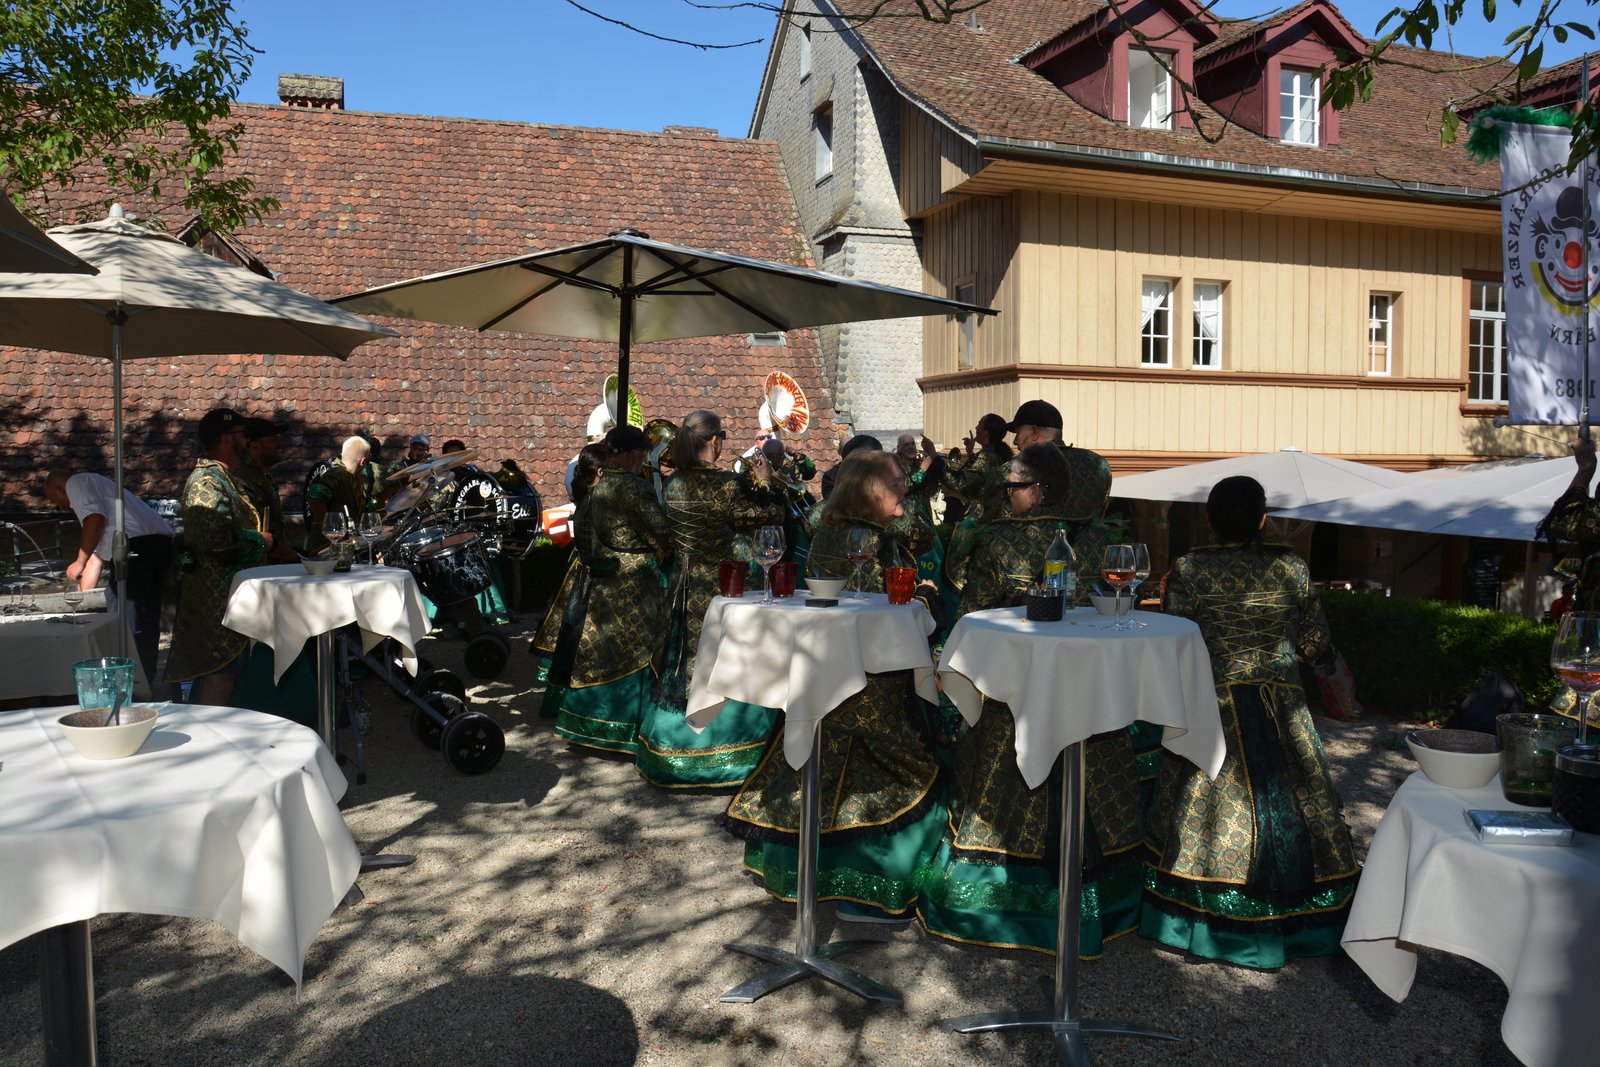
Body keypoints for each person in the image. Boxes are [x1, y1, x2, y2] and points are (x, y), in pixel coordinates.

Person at [919, 444, 1143, 956]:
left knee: (999, 787)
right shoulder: (1100, 541)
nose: (1006, 493)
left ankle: (1001, 906)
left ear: (1039, 490)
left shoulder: (999, 541)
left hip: (1015, 696)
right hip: (1087, 696)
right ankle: (1096, 904)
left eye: (1013, 485)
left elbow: (972, 617)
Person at [1140, 475, 1358, 970]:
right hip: (1282, 704)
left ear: (1210, 519)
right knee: (1300, 804)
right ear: (1263, 519)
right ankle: (1304, 920)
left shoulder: (1190, 569)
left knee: (1203, 812)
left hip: (1213, 705)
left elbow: (1179, 639)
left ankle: (1202, 919)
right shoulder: (1291, 567)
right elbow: (1315, 642)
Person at [723, 449, 945, 920]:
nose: (905, 489)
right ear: (869, 490)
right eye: (896, 483)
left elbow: (916, 542)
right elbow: (876, 611)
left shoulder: (831, 527)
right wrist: (924, 598)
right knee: (891, 768)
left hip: (827, 672)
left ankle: (806, 878)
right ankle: (867, 889)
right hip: (868, 679)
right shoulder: (866, 538)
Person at [645, 409, 786, 788]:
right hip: (725, 587)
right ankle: (730, 750)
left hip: (683, 584)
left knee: (683, 662)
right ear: (715, 441)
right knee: (727, 661)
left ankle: (669, 750)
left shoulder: (673, 484)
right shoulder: (726, 484)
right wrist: (766, 483)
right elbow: (770, 517)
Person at [545, 425, 673, 756]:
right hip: (634, 587)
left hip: (600, 586)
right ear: (632, 455)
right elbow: (663, 534)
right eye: (642, 454)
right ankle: (627, 733)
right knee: (636, 654)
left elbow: (583, 537)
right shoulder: (636, 488)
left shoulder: (593, 487)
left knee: (598, 653)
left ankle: (584, 727)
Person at [165, 408, 271, 705]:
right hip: (215, 601)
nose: (248, 441)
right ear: (226, 439)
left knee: (230, 675)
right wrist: (260, 542)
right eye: (244, 435)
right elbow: (213, 539)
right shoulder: (206, 482)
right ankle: (209, 731)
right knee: (220, 676)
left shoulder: (223, 478)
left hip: (230, 597)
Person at [41, 469, 174, 690]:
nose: (61, 507)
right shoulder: (99, 490)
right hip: (147, 549)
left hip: (139, 549)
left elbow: (95, 520)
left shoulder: (77, 482)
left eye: (56, 501)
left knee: (129, 621)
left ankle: (133, 685)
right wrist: (80, 598)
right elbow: (96, 558)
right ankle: (137, 680)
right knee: (120, 607)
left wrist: (78, 561)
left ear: (59, 490)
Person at [533, 442, 610, 717]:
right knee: (578, 637)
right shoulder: (594, 502)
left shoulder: (586, 499)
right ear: (600, 472)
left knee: (570, 636)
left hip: (580, 568)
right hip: (589, 572)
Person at [234, 418, 296, 562]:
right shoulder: (245, 480)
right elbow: (252, 532)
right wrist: (294, 557)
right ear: (255, 447)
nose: (280, 444)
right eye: (274, 440)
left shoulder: (263, 476)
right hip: (257, 568)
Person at [940, 412, 1013, 525]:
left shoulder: (986, 456)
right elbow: (979, 475)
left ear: (986, 432)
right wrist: (970, 452)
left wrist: (934, 459)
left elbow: (959, 483)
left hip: (982, 517)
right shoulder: (996, 452)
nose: (976, 427)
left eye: (979, 424)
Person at [304, 435, 370, 552]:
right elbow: (314, 497)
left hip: (340, 545)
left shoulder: (353, 477)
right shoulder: (336, 474)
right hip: (325, 547)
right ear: (363, 461)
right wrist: (329, 526)